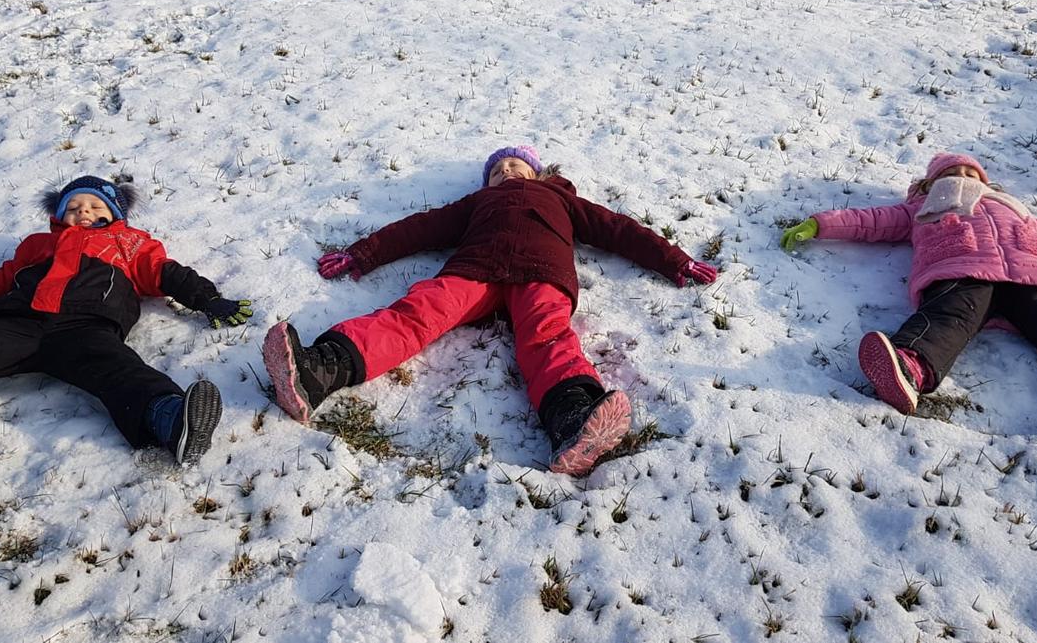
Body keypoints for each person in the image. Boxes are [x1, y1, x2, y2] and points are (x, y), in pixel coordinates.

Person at [263, 146, 718, 476]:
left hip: (541, 273)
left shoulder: (562, 199)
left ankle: (573, 418)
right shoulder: (477, 203)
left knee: (547, 336)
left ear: (538, 174)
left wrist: (673, 260)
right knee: (416, 313)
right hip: (474, 269)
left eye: (515, 165)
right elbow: (421, 228)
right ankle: (320, 370)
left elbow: (618, 230)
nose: (505, 171)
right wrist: (365, 253)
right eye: (497, 170)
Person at [780, 152, 1037, 436]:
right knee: (947, 319)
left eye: (970, 175)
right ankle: (909, 368)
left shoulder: (1013, 209)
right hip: (963, 270)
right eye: (950, 174)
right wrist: (821, 224)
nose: (962, 179)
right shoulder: (922, 209)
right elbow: (871, 220)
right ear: (929, 183)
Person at [0, 175, 253, 465]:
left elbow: (168, 273)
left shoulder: (130, 245)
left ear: (115, 214)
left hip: (86, 328)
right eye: (73, 207)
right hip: (15, 324)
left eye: (95, 207)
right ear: (59, 215)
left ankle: (168, 418)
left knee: (119, 370)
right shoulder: (37, 246)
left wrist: (209, 300)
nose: (83, 212)